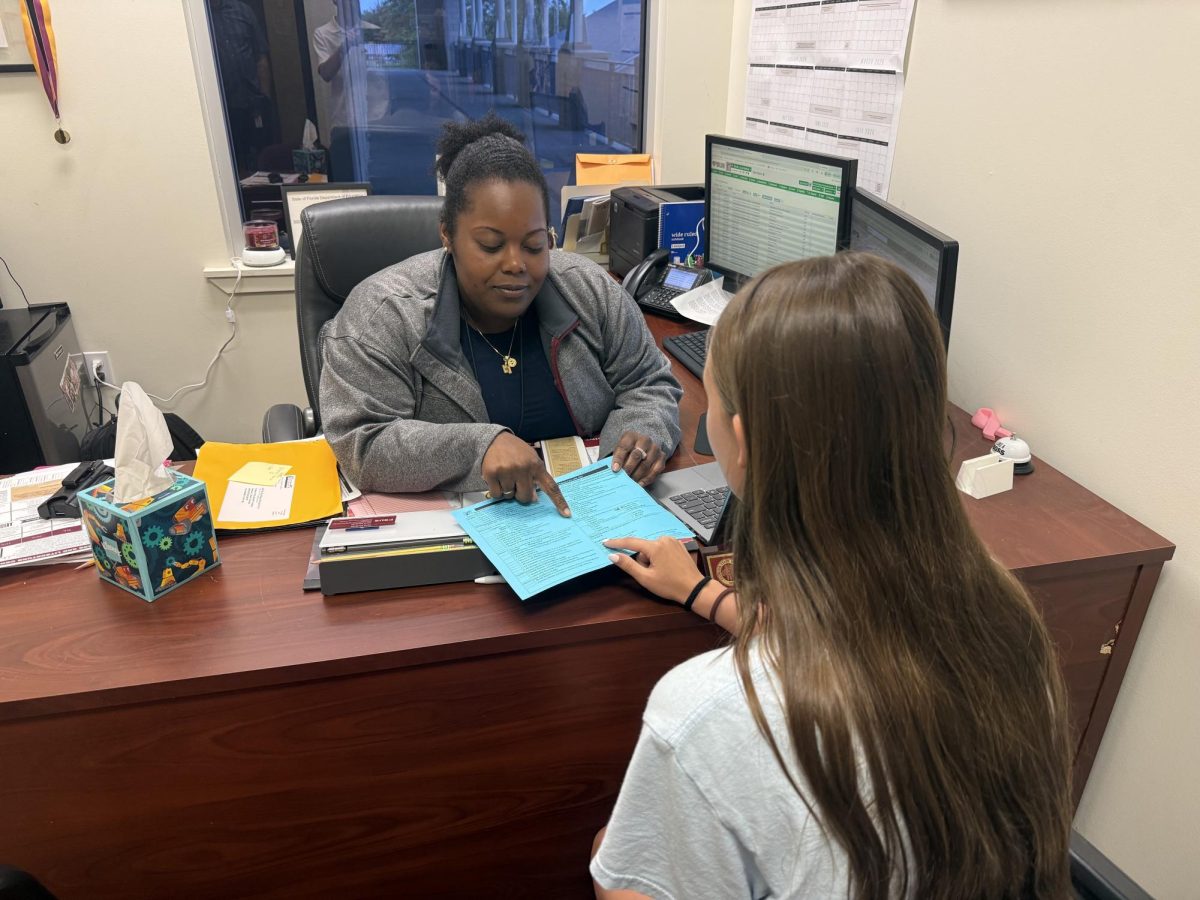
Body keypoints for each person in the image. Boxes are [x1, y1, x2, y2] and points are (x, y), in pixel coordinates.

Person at [592, 254, 1074, 899]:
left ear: (745, 443)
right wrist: (703, 592)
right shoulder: (1002, 614)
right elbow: (855, 644)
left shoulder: (708, 718)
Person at [319, 114, 683, 510]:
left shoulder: (589, 289)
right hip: (456, 537)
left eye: (533, 245)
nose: (516, 265)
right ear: (447, 233)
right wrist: (480, 447)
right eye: (491, 245)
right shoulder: (383, 315)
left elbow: (650, 381)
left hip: (590, 517)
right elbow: (362, 443)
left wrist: (642, 432)